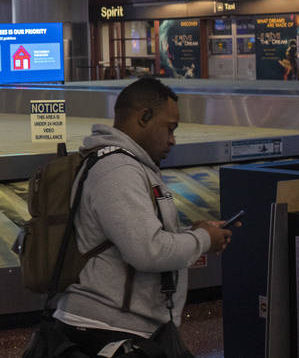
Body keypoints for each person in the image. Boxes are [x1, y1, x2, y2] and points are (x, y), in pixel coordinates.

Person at [52, 77, 233, 355]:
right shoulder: (117, 170)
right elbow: (148, 251)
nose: (173, 139)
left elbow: (141, 235)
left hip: (129, 328)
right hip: (106, 331)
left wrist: (190, 233)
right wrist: (203, 239)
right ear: (144, 117)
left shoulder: (133, 166)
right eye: (169, 128)